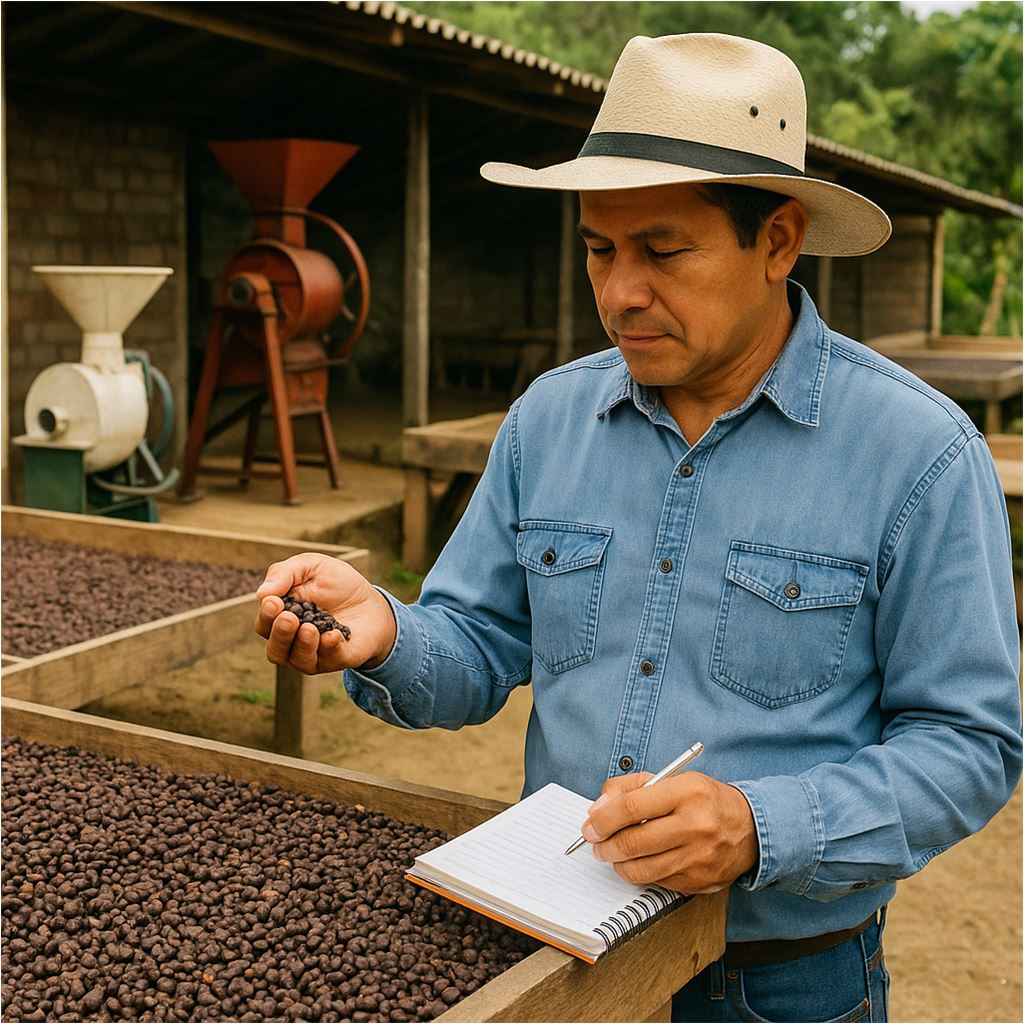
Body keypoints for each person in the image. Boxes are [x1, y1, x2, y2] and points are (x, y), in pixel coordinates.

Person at [255, 33, 1021, 1023]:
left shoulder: (917, 452)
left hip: (781, 985)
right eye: (597, 249)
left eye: (662, 251)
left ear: (778, 240)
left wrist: (758, 824)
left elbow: (968, 743)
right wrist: (390, 632)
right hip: (552, 956)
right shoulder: (548, 419)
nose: (620, 292)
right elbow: (480, 645)